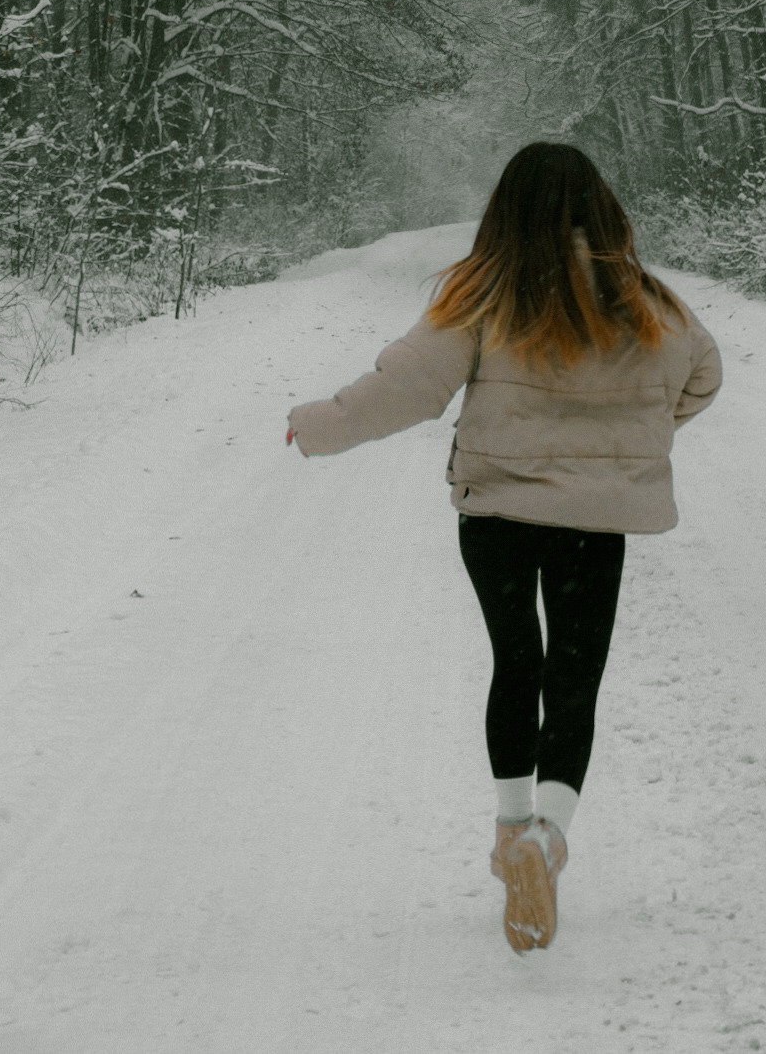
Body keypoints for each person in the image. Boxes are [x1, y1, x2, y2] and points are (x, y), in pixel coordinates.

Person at [287, 142, 721, 954]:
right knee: (575, 673)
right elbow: (701, 376)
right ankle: (547, 840)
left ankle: (507, 826)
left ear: (505, 209)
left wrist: (320, 425)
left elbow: (410, 386)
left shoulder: (481, 288)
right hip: (597, 520)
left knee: (515, 660)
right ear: (600, 207)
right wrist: (628, 443)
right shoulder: (644, 297)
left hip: (495, 518)